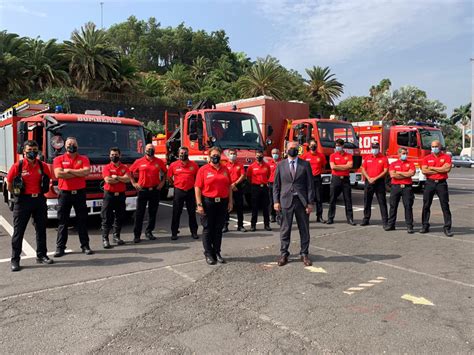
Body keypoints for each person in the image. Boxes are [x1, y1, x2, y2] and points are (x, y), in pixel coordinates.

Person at [7, 140, 53, 272]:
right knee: (18, 231)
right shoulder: (18, 166)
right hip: (22, 202)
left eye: (34, 151)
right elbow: (9, 183)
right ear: (24, 152)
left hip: (39, 200)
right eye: (29, 151)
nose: (32, 153)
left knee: (41, 229)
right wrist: (16, 195)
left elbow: (47, 179)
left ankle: (42, 255)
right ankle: (15, 260)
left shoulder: (43, 166)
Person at [273, 142, 315, 267]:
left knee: (304, 229)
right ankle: (284, 253)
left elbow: (310, 185)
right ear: (286, 150)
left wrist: (310, 202)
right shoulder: (280, 165)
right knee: (285, 229)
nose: (293, 150)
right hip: (286, 200)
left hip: (301, 202)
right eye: (291, 148)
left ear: (299, 150)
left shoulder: (305, 164)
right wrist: (276, 201)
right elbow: (276, 185)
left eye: (295, 148)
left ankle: (304, 253)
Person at [53, 137, 93, 256]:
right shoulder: (58, 159)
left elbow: (86, 172)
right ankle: (60, 248)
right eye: (69, 144)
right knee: (62, 222)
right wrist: (77, 172)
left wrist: (68, 170)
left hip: (79, 193)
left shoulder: (84, 158)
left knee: (82, 220)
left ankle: (85, 246)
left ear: (78, 146)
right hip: (64, 194)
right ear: (65, 146)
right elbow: (58, 174)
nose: (71, 146)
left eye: (74, 144)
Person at [195, 147, 233, 265]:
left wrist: (230, 202)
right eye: (213, 155)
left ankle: (217, 252)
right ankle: (208, 253)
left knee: (218, 229)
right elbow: (197, 187)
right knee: (208, 229)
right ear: (209, 156)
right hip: (208, 203)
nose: (215, 157)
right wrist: (199, 204)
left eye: (218, 155)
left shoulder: (225, 169)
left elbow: (229, 186)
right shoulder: (203, 170)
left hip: (222, 203)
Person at [129, 143, 167, 243]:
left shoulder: (159, 161)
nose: (150, 150)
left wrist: (162, 183)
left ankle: (149, 232)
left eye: (152, 149)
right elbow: (130, 172)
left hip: (155, 190)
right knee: (139, 213)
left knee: (152, 213)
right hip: (142, 191)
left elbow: (165, 172)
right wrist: (134, 183)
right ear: (145, 150)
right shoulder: (139, 161)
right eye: (148, 149)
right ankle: (137, 235)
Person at [420, 140, 453, 237]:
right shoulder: (426, 158)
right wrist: (440, 170)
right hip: (429, 183)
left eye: (436, 146)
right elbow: (424, 170)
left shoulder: (446, 157)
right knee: (426, 205)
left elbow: (447, 169)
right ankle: (425, 226)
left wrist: (432, 168)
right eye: (432, 146)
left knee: (445, 206)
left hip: (441, 184)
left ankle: (447, 227)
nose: (434, 148)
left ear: (440, 146)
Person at [100, 147, 130, 248]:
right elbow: (108, 180)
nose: (114, 156)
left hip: (121, 196)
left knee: (119, 217)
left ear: (120, 155)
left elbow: (127, 179)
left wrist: (116, 177)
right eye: (112, 155)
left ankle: (116, 236)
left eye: (116, 154)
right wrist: (121, 178)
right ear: (109, 156)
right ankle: (105, 239)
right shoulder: (106, 167)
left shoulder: (124, 167)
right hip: (109, 195)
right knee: (106, 218)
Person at [167, 147, 199, 240]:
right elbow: (169, 177)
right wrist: (174, 185)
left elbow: (198, 178)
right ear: (178, 154)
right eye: (181, 153)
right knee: (176, 213)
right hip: (179, 191)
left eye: (185, 153)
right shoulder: (173, 165)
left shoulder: (194, 165)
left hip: (190, 191)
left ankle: (194, 232)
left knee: (192, 213)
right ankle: (174, 232)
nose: (183, 154)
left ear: (188, 154)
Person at [385, 148, 415, 233]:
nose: (404, 155)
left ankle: (409, 226)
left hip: (407, 188)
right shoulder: (393, 164)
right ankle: (391, 225)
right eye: (403, 153)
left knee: (408, 206)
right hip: (395, 187)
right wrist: (405, 174)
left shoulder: (411, 163)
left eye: (406, 153)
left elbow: (411, 173)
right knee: (393, 206)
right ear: (398, 154)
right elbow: (392, 175)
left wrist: (399, 173)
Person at [360, 142, 389, 227]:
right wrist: (368, 178)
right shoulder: (368, 157)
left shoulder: (383, 158)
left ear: (378, 148)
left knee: (382, 201)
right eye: (373, 147)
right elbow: (363, 169)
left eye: (376, 147)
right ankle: (366, 219)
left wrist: (375, 178)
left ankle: (385, 221)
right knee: (367, 201)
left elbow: (385, 171)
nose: (374, 149)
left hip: (379, 182)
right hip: (368, 181)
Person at [327, 139, 355, 225]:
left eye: (339, 145)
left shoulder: (349, 155)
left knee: (348, 199)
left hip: (345, 179)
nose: (337, 147)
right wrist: (344, 166)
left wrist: (338, 166)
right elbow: (333, 167)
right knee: (332, 199)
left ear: (343, 146)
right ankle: (330, 218)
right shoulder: (332, 155)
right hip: (336, 179)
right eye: (336, 146)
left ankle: (350, 219)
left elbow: (350, 165)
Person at [301, 139, 327, 223]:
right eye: (311, 145)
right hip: (307, 179)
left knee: (319, 198)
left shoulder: (321, 156)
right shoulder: (305, 156)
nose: (313, 146)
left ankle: (319, 216)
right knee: (307, 199)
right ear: (309, 146)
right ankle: (305, 217)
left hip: (317, 178)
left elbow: (323, 166)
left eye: (314, 145)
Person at [247, 150, 271, 232]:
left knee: (265, 207)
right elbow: (249, 178)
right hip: (255, 188)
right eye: (257, 155)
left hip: (264, 187)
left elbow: (268, 175)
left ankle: (267, 225)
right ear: (255, 156)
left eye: (260, 155)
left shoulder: (267, 166)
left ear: (263, 156)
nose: (259, 157)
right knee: (254, 207)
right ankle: (253, 225)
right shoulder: (251, 166)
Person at [223, 148, 246, 233]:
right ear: (228, 155)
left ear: (236, 155)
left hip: (237, 187)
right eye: (231, 153)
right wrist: (230, 185)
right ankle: (225, 226)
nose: (233, 155)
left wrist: (235, 184)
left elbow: (243, 175)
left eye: (234, 154)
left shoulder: (240, 165)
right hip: (227, 187)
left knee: (239, 206)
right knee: (226, 207)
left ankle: (240, 225)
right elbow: (223, 176)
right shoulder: (224, 165)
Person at [268, 148, 281, 224]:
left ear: (279, 154)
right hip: (271, 184)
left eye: (276, 153)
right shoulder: (269, 163)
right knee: (271, 201)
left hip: (280, 184)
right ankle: (272, 215)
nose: (275, 154)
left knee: (279, 200)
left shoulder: (282, 163)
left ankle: (279, 216)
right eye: (273, 153)